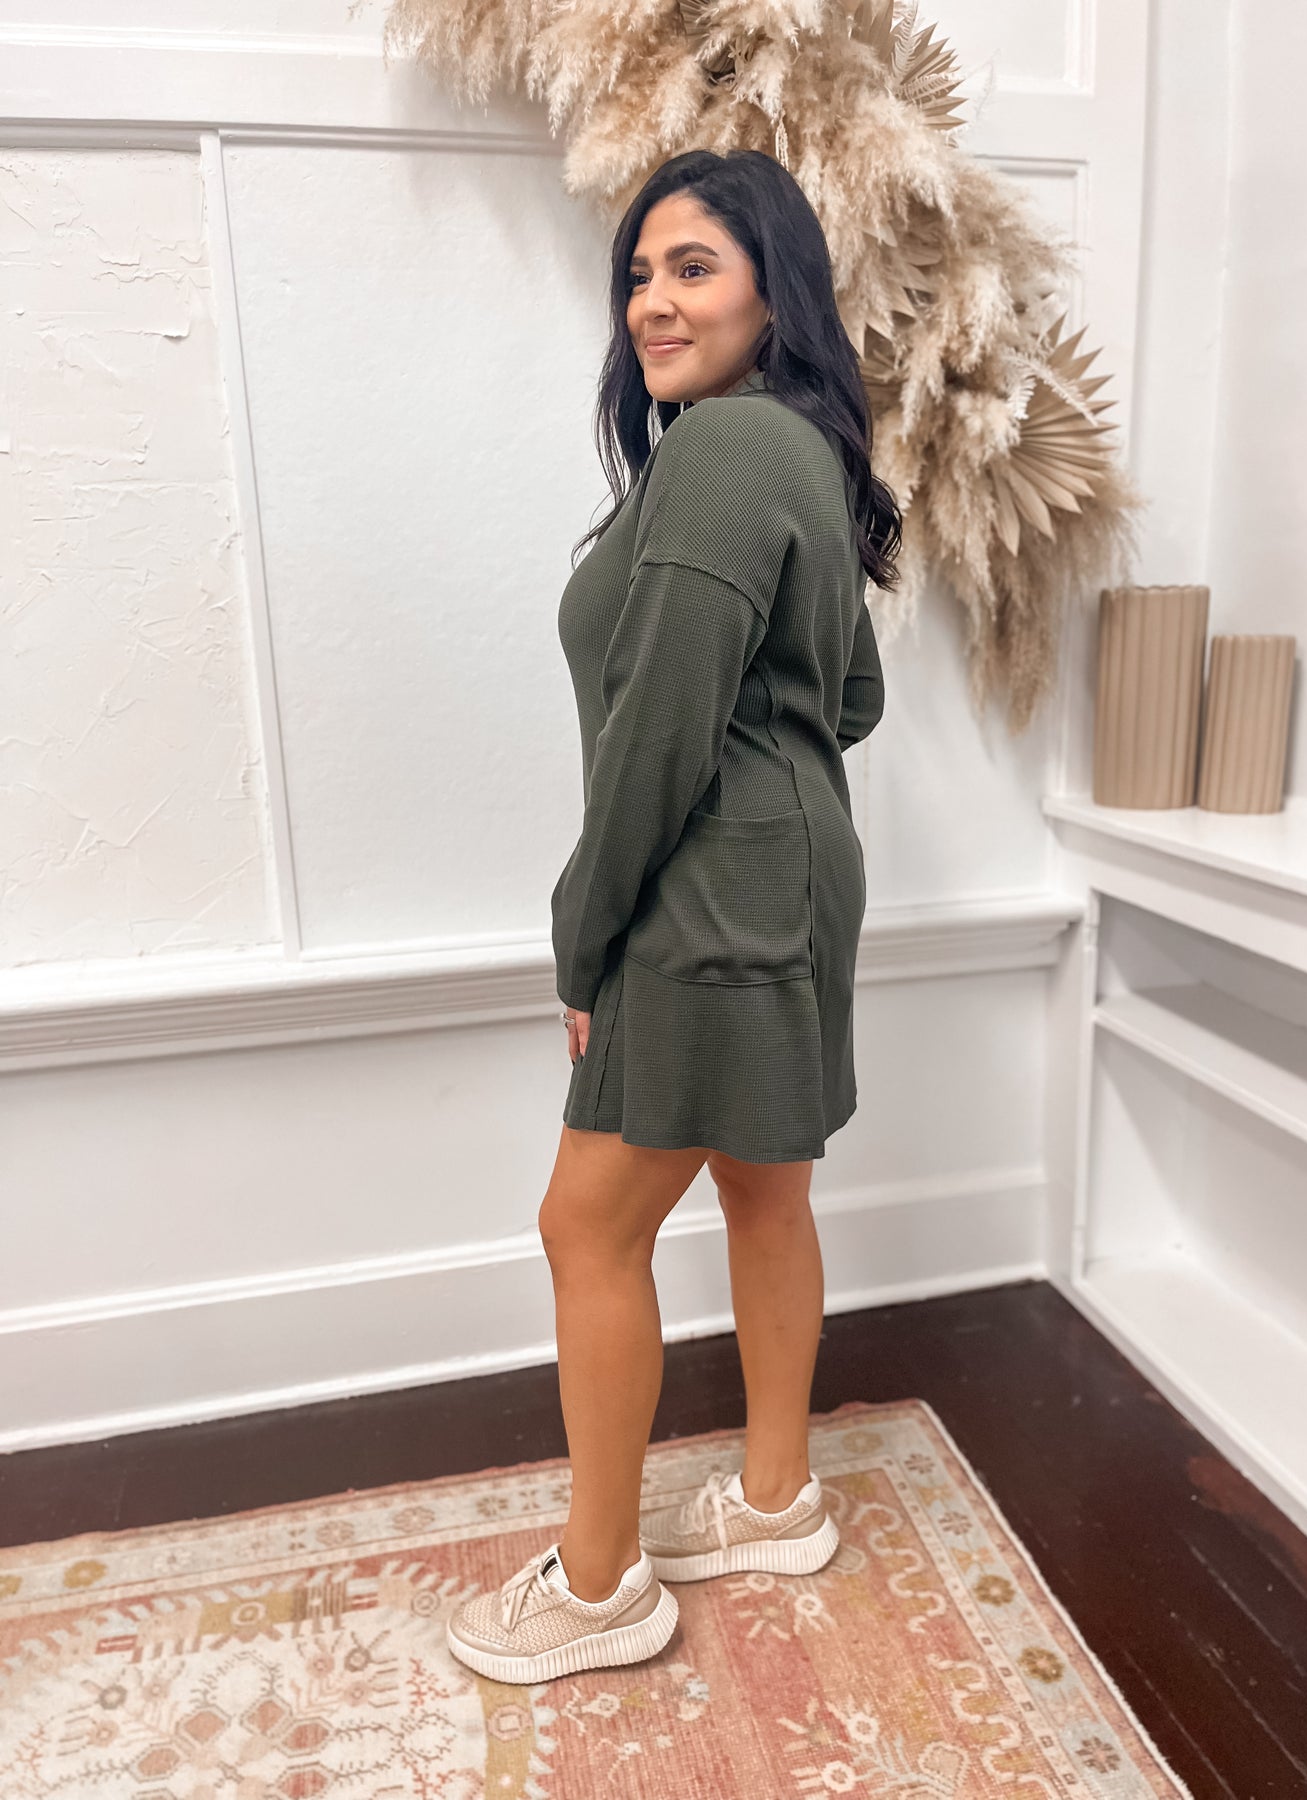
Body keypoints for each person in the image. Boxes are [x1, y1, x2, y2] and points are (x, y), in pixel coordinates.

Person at [445, 147, 899, 1686]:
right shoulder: (804, 450)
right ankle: (774, 1500)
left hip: (707, 883)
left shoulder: (719, 452)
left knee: (586, 1222)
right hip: (796, 869)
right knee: (764, 1193)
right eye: (638, 273)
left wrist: (582, 932)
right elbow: (848, 696)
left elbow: (657, 733)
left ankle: (597, 1587)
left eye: (691, 267)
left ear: (777, 293)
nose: (651, 300)